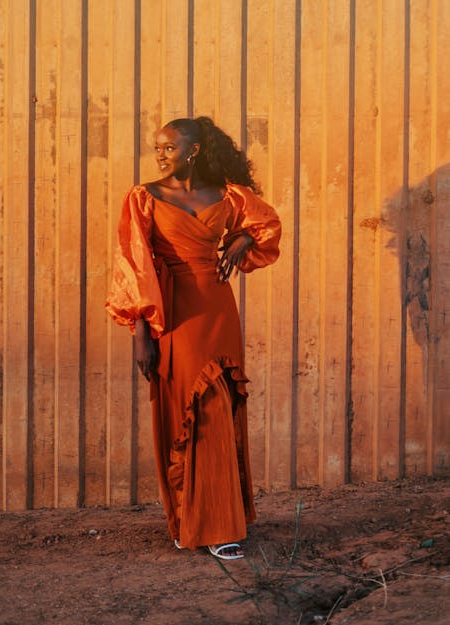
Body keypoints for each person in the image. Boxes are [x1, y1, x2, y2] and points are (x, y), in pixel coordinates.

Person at [105, 116, 281, 560]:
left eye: (169, 147)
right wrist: (140, 332)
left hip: (218, 309)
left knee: (220, 408)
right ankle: (189, 520)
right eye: (157, 147)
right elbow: (132, 263)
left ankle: (221, 525)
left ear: (194, 150)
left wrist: (240, 238)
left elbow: (268, 226)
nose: (160, 154)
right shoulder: (143, 197)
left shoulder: (227, 195)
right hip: (173, 313)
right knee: (190, 412)